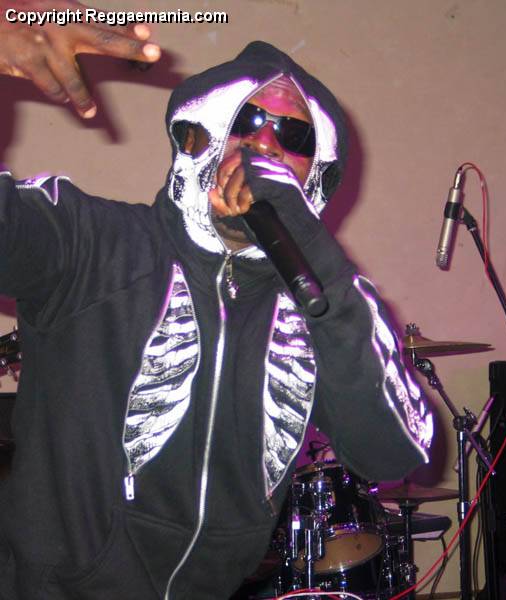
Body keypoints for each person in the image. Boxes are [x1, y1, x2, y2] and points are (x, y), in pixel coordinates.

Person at [0, 6, 434, 599]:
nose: (264, 145)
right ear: (193, 136)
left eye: (294, 137)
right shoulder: (91, 241)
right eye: (246, 120)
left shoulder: (318, 304)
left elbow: (394, 451)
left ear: (315, 177)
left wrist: (314, 256)